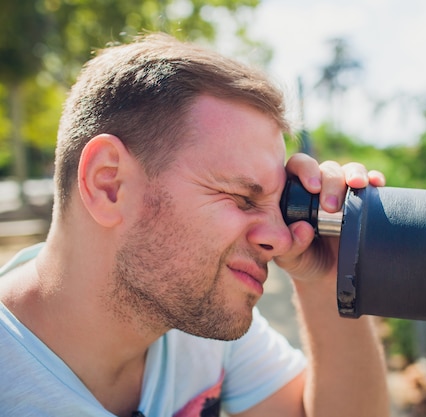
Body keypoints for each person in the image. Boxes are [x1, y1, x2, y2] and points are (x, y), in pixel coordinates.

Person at [0, 33, 389, 416]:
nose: (282, 238)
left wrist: (328, 278)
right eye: (242, 198)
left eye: (283, 207)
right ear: (110, 184)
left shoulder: (193, 320)